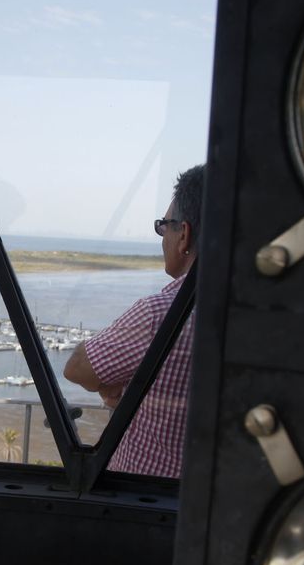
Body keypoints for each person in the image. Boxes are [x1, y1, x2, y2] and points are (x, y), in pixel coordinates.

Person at [63, 164, 203, 478]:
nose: (162, 237)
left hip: (144, 492)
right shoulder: (258, 314)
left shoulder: (160, 315)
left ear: (184, 235)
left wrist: (115, 383)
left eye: (164, 226)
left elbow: (77, 368)